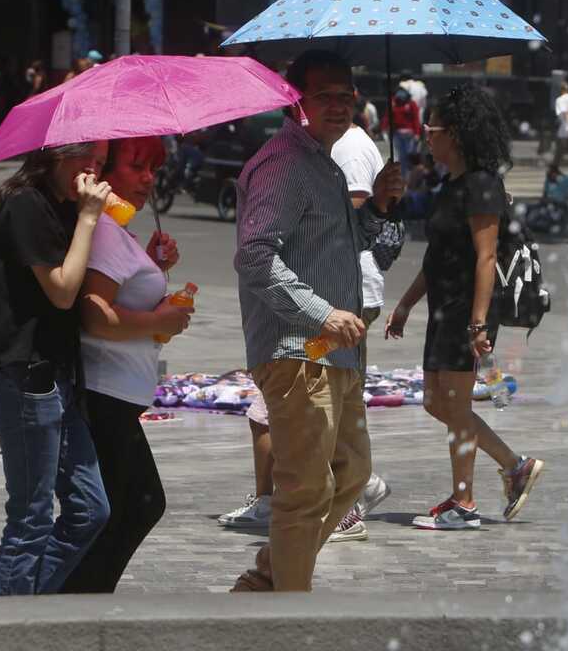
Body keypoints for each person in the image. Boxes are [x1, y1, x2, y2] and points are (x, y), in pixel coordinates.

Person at [231, 48, 402, 592]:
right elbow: (254, 256)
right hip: (300, 350)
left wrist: (378, 208)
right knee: (305, 490)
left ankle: (268, 580)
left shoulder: (324, 164)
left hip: (334, 351)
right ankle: (287, 610)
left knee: (350, 475)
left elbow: (339, 246)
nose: (338, 106)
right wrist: (323, 314)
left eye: (345, 96)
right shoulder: (285, 164)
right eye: (324, 95)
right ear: (295, 100)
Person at [386, 84, 544, 530]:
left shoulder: (482, 185)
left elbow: (486, 257)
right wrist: (406, 304)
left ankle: (464, 503)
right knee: (436, 402)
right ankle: (514, 465)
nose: (426, 135)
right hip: (443, 309)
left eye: (432, 129)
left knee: (454, 406)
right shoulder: (450, 185)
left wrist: (478, 324)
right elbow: (436, 258)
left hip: (466, 311)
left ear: (454, 134)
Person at [0, 141, 112, 596]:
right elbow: (62, 290)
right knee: (30, 517)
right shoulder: (24, 204)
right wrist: (89, 218)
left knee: (90, 510)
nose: (93, 170)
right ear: (57, 153)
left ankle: (26, 606)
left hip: (58, 379)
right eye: (86, 157)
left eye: (101, 161)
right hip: (23, 381)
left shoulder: (63, 207)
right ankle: (8, 624)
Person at [59, 137, 185, 593]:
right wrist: (160, 320)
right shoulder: (108, 233)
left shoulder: (117, 231)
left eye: (153, 169)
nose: (148, 178)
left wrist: (150, 265)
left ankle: (80, 602)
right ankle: (75, 603)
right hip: (104, 393)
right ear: (105, 173)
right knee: (132, 506)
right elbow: (95, 316)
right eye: (137, 166)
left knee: (126, 507)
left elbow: (118, 293)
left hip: (116, 394)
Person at [382, 87, 421, 179]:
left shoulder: (411, 104)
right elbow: (388, 116)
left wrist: (417, 133)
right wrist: (384, 128)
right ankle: (403, 177)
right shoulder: (394, 103)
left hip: (410, 134)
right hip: (398, 134)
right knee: (402, 156)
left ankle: (412, 177)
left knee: (410, 155)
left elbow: (416, 118)